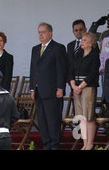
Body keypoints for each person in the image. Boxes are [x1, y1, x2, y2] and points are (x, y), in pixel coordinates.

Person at [29, 22, 67, 150]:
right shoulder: (35, 49)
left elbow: (61, 69)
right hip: (39, 91)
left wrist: (60, 88)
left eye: (43, 32)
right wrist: (32, 88)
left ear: (50, 33)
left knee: (53, 120)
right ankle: (46, 144)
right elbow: (33, 70)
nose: (40, 34)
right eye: (39, 32)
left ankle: (54, 145)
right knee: (42, 121)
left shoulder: (58, 48)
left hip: (52, 91)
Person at [69, 32, 100, 150]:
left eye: (85, 40)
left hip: (87, 87)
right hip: (76, 87)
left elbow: (93, 74)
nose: (82, 42)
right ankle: (84, 143)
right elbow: (70, 69)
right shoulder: (77, 54)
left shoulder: (94, 56)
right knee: (81, 117)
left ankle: (90, 144)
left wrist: (81, 86)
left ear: (91, 43)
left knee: (88, 116)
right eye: (82, 40)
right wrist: (73, 85)